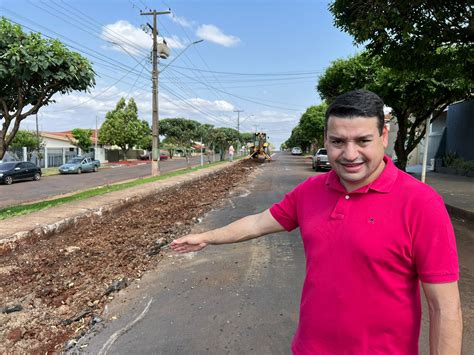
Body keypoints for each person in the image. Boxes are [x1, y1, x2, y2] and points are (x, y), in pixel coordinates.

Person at [171, 90, 462, 354]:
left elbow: (444, 308)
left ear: (384, 136)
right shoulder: (310, 192)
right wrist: (207, 237)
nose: (350, 155)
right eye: (337, 142)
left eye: (363, 141)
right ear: (325, 139)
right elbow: (259, 223)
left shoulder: (421, 204)